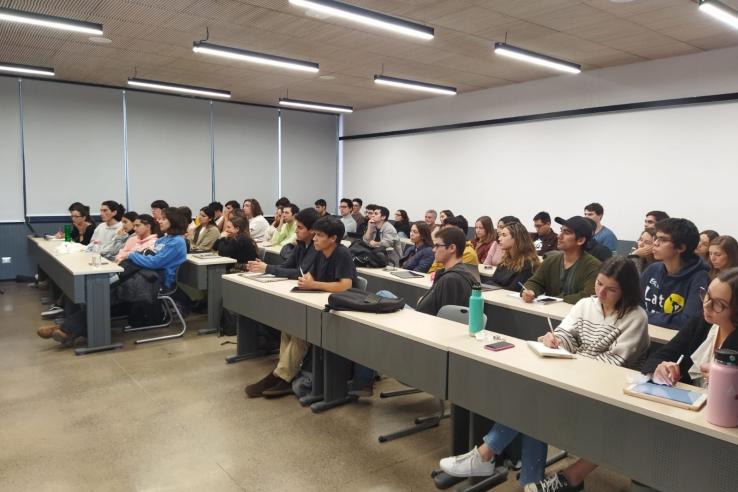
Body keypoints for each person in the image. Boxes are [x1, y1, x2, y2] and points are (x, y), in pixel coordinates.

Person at [441, 258, 649, 492]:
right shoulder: (585, 305)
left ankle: (486, 455)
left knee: (535, 404)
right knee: (535, 401)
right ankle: (526, 480)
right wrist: (555, 340)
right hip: (575, 380)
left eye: (611, 289)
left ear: (627, 291)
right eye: (599, 284)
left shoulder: (635, 317)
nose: (601, 292)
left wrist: (571, 360)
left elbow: (613, 363)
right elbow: (567, 335)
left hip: (607, 394)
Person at [245, 216, 356, 398]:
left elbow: (345, 286)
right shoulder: (321, 252)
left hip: (341, 311)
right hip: (321, 303)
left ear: (333, 238)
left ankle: (280, 376)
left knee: (301, 333)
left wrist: (315, 284)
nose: (314, 239)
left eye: (319, 235)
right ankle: (284, 374)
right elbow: (311, 276)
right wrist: (307, 281)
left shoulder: (341, 254)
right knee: (288, 328)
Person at [43, 207, 188, 346]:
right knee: (101, 294)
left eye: (163, 219)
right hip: (143, 276)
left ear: (173, 221)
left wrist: (132, 255)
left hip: (156, 283)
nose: (159, 221)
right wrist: (137, 256)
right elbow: (148, 258)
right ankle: (68, 330)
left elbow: (154, 262)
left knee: (103, 294)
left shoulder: (177, 242)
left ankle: (67, 330)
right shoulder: (164, 240)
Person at [642, 268, 738, 388]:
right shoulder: (701, 321)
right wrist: (659, 370)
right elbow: (660, 356)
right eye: (707, 295)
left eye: (719, 304)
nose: (706, 305)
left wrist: (731, 381)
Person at [641, 218, 709, 330]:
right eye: (656, 238)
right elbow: (632, 304)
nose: (655, 243)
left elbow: (687, 321)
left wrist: (642, 315)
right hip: (644, 333)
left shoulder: (699, 277)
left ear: (681, 247)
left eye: (662, 239)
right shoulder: (652, 269)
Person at [521, 216, 601, 305]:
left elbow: (588, 296)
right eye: (561, 230)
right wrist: (530, 291)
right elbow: (535, 282)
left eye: (566, 233)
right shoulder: (551, 260)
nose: (559, 236)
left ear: (580, 240)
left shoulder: (594, 266)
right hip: (548, 314)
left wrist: (555, 299)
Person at [417, 226, 477, 316]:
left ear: (452, 248)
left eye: (437, 246)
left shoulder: (451, 279)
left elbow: (445, 320)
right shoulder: (450, 274)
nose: (433, 250)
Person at [247, 209, 320, 279]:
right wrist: (265, 266)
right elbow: (286, 266)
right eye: (296, 227)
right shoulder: (301, 244)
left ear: (312, 230)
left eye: (300, 228)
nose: (296, 231)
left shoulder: (317, 247)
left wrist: (267, 268)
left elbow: (300, 273)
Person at [487, 222, 541, 291]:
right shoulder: (505, 260)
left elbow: (512, 290)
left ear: (516, 238)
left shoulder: (528, 263)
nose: (499, 239)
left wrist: (495, 286)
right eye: (500, 235)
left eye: (504, 235)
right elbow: (491, 282)